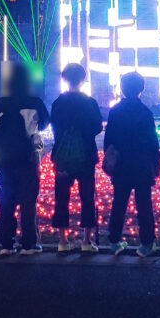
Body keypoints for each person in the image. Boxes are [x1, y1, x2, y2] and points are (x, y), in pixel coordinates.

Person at [0, 63, 49, 256]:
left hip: (4, 158)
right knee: (28, 200)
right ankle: (28, 244)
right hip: (27, 157)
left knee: (6, 200)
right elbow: (46, 122)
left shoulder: (0, 104)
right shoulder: (34, 102)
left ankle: (6, 243)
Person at [104, 71, 160, 257]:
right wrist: (155, 165)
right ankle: (147, 243)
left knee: (119, 202)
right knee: (144, 204)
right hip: (142, 164)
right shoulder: (146, 112)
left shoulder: (115, 111)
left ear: (122, 88)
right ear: (141, 89)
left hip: (121, 164)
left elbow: (109, 140)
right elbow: (152, 141)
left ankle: (114, 241)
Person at [49, 63, 103, 254]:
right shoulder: (89, 103)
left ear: (64, 79)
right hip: (86, 155)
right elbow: (97, 127)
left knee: (61, 197)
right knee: (87, 197)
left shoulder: (58, 103)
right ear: (83, 79)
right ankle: (86, 241)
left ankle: (63, 241)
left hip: (62, 156)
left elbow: (54, 126)